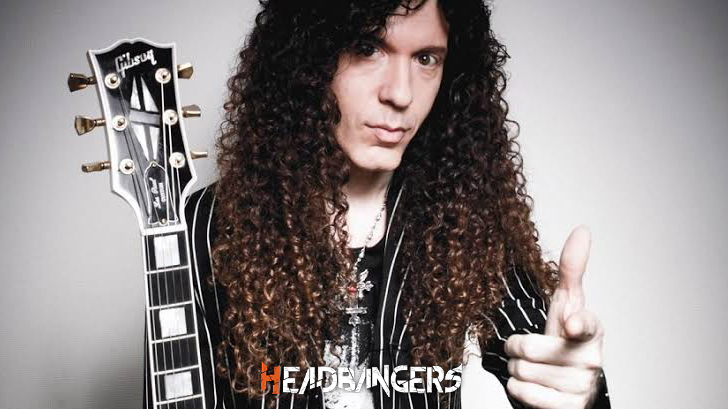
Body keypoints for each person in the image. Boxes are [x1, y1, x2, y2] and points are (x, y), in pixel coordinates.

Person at [145, 1, 611, 408]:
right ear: (307, 60)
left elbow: (549, 361)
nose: (401, 94)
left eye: (426, 58)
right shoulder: (206, 223)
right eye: (368, 49)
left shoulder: (462, 216)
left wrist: (581, 392)